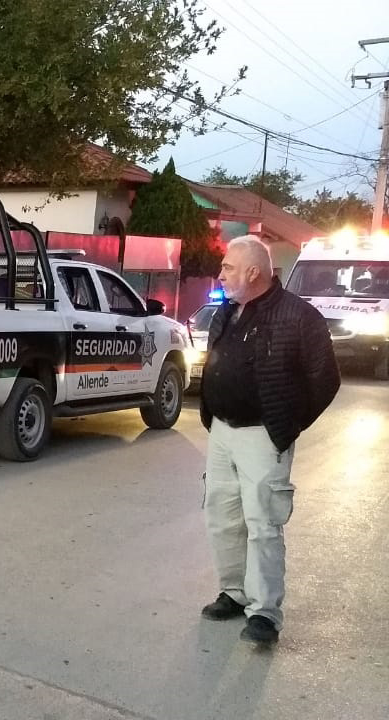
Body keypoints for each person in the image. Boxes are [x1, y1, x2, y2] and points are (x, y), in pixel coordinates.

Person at [198, 235, 341, 646]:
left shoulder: (300, 317)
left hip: (264, 435)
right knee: (223, 516)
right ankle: (234, 592)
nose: (221, 273)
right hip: (222, 431)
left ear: (253, 272)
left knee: (263, 524)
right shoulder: (228, 312)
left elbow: (325, 380)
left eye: (227, 267)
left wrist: (288, 423)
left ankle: (264, 613)